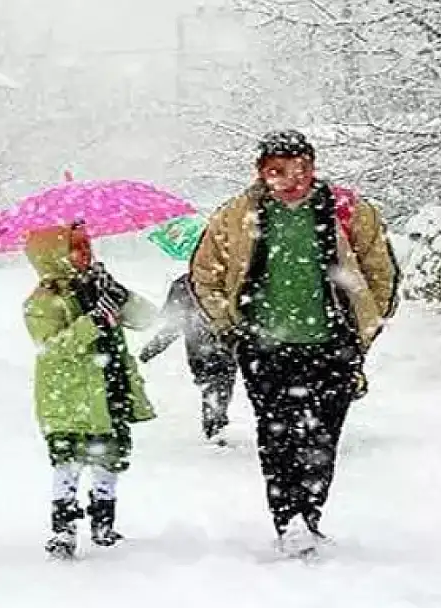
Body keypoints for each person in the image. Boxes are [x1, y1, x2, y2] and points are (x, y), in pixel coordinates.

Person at [191, 129, 398, 556]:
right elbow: (205, 273)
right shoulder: (235, 215)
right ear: (261, 173)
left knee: (324, 435)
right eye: (278, 171)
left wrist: (365, 324)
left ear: (314, 168)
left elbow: (380, 268)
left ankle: (311, 510)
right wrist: (231, 324)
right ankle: (288, 517)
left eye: (301, 168)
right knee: (277, 434)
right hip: (264, 346)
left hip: (331, 343)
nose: (292, 179)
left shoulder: (347, 211)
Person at [23, 223, 157, 559]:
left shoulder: (97, 287)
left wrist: (119, 294)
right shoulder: (44, 301)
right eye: (76, 247)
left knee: (109, 457)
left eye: (87, 245)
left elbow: (146, 318)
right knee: (67, 462)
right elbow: (51, 348)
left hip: (109, 386)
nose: (86, 253)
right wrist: (92, 322)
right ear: (54, 255)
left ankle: (104, 522)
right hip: (71, 397)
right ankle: (64, 529)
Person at [139, 273, 236, 444]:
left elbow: (173, 325)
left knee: (213, 383)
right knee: (219, 384)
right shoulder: (226, 282)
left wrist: (151, 350)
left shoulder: (183, 284)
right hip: (219, 345)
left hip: (200, 348)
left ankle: (215, 422)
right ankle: (215, 422)